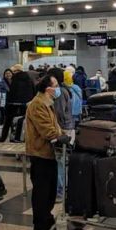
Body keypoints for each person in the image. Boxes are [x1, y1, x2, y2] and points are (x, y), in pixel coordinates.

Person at [25, 74, 69, 230]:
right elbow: (45, 129)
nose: (57, 88)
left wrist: (63, 134)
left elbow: (54, 126)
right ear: (47, 88)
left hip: (49, 153)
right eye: (55, 85)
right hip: (40, 153)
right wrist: (58, 136)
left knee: (50, 191)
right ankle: (40, 225)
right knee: (42, 192)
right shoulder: (37, 104)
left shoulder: (48, 103)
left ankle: (47, 217)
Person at [48, 68, 73, 202]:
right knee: (63, 161)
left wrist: (57, 129)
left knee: (60, 161)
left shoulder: (59, 93)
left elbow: (59, 113)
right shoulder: (65, 90)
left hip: (62, 129)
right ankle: (64, 188)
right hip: (67, 127)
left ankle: (60, 191)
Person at [0, 64, 35, 142]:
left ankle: (9, 138)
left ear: (16, 71)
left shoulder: (15, 80)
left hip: (13, 107)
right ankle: (22, 138)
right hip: (26, 106)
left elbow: (13, 94)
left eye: (13, 72)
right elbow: (33, 92)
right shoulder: (29, 80)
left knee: (10, 123)